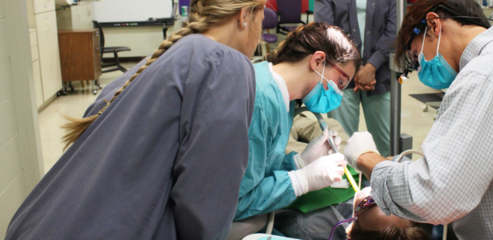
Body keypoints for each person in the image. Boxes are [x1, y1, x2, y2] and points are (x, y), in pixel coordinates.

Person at [5, 0, 265, 239]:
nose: (261, 34)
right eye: (263, 19)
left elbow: (96, 114)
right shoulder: (227, 65)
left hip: (39, 223)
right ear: (244, 16)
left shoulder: (167, 55)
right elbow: (207, 204)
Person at [342, 0, 493, 239]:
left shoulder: (485, 75)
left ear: (434, 25)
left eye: (417, 57)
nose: (420, 68)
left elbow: (433, 195)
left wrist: (366, 158)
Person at [232, 22, 360, 223]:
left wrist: (299, 162)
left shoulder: (284, 98)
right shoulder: (261, 100)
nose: (338, 94)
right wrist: (301, 180)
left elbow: (258, 168)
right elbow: (235, 201)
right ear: (318, 61)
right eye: (340, 82)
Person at [315, 0, 397, 157]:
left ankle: (385, 179)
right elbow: (325, 30)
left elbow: (394, 30)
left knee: (387, 147)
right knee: (342, 145)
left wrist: (372, 65)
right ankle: (347, 181)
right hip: (340, 75)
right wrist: (354, 67)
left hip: (380, 76)